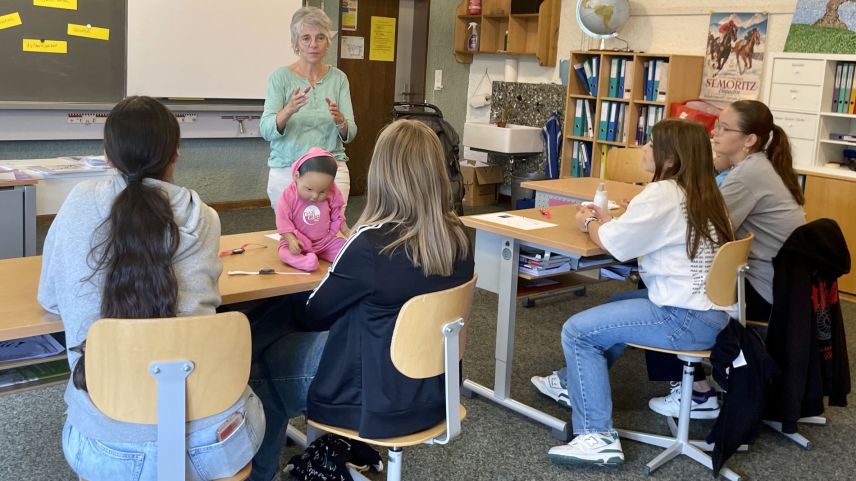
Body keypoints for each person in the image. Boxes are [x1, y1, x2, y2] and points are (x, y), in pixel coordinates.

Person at [38, 96, 264, 481]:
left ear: (108, 156)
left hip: (107, 449)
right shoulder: (204, 217)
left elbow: (50, 298)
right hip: (214, 445)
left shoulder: (78, 204)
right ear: (175, 155)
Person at [547, 119, 735, 466]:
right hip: (712, 315)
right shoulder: (706, 192)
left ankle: (596, 436)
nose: (645, 149)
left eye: (651, 144)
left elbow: (616, 245)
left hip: (682, 319)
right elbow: (641, 233)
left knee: (577, 332)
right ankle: (570, 381)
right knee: (620, 302)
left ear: (671, 158)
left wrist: (588, 223)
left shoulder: (663, 193)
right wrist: (610, 220)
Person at [302, 119, 475, 438]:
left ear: (382, 174)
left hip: (373, 404)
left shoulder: (368, 245)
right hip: (437, 397)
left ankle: (319, 457)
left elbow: (314, 315)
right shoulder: (460, 237)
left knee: (265, 361)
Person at [646, 100, 806, 419]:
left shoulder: (748, 175)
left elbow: (704, 225)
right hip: (780, 286)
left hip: (761, 290)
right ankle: (692, 384)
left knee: (661, 281)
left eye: (724, 128)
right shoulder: (754, 167)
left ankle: (695, 391)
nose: (714, 132)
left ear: (749, 140)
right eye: (716, 125)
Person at [260, 6, 356, 209]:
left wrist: (341, 122)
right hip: (287, 170)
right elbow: (266, 130)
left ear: (327, 42)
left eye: (320, 37)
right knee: (291, 237)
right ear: (296, 43)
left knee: (333, 234)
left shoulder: (339, 79)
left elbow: (351, 132)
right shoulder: (280, 78)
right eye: (306, 38)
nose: (313, 44)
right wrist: (289, 110)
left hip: (331, 169)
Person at [275, 147, 348, 272]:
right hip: (298, 242)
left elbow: (337, 215)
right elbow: (283, 221)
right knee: (284, 253)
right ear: (297, 177)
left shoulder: (333, 193)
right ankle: (306, 262)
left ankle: (337, 255)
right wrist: (291, 239)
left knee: (348, 251)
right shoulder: (288, 196)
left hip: (325, 242)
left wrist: (348, 232)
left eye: (322, 191)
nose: (315, 196)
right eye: (309, 189)